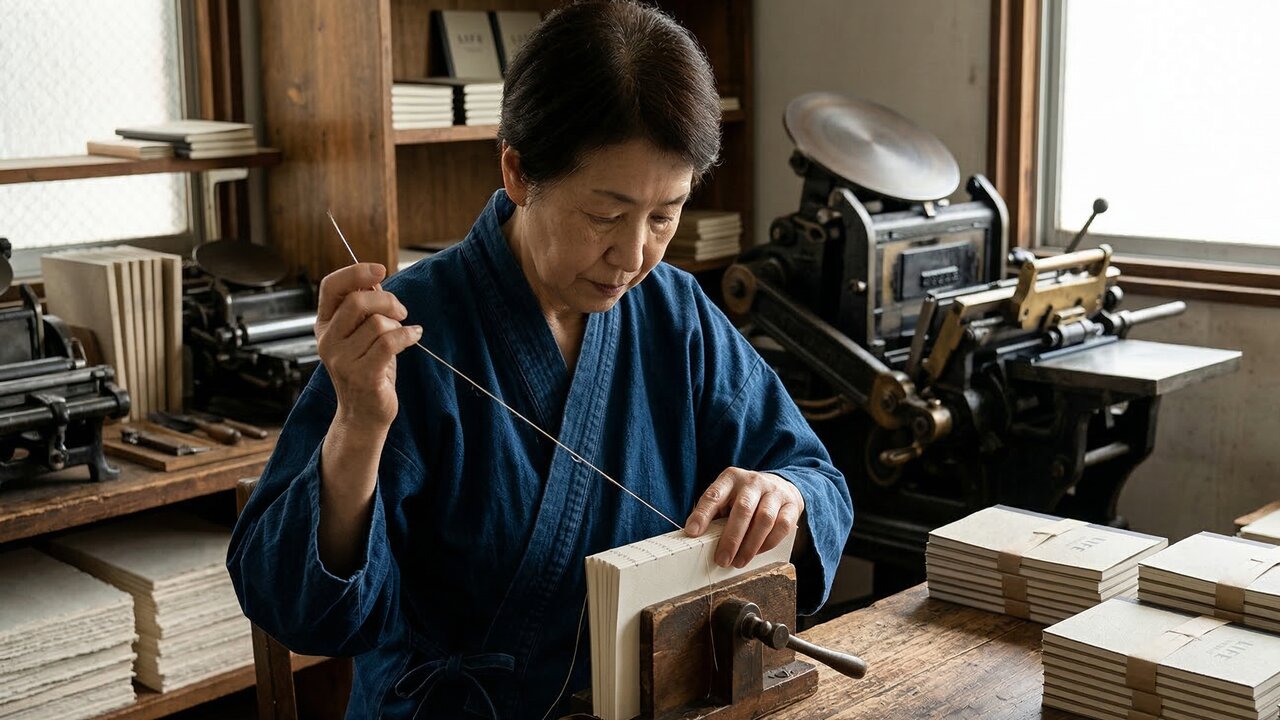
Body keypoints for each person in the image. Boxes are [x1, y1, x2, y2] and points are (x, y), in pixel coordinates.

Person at [227, 2, 853, 718]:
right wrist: (360, 427)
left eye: (664, 215)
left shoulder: (676, 315)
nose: (634, 255)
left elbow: (817, 477)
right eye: (605, 214)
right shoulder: (403, 334)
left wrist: (785, 494)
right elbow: (296, 608)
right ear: (520, 172)